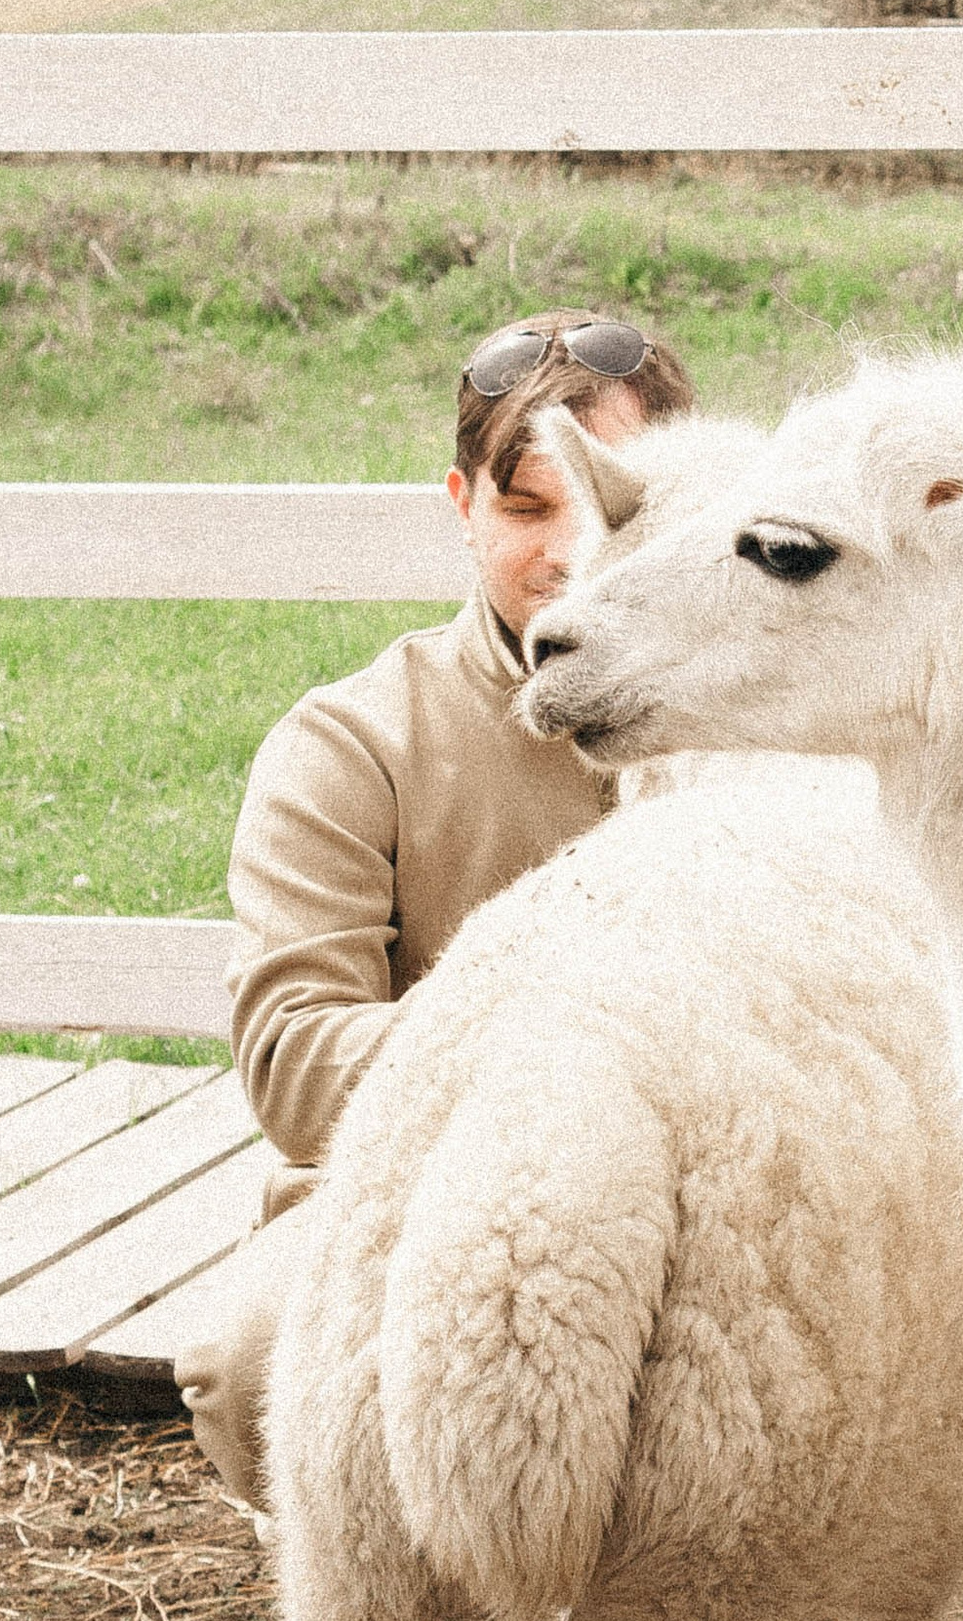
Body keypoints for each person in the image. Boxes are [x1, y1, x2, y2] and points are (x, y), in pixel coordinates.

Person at [176, 310, 696, 1510]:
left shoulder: (786, 720)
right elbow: (297, 1068)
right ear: (462, 505)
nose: (571, 551)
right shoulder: (350, 743)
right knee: (254, 1367)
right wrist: (587, 1041)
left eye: (612, 507)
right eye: (526, 507)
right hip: (419, 1196)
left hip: (716, 1202)